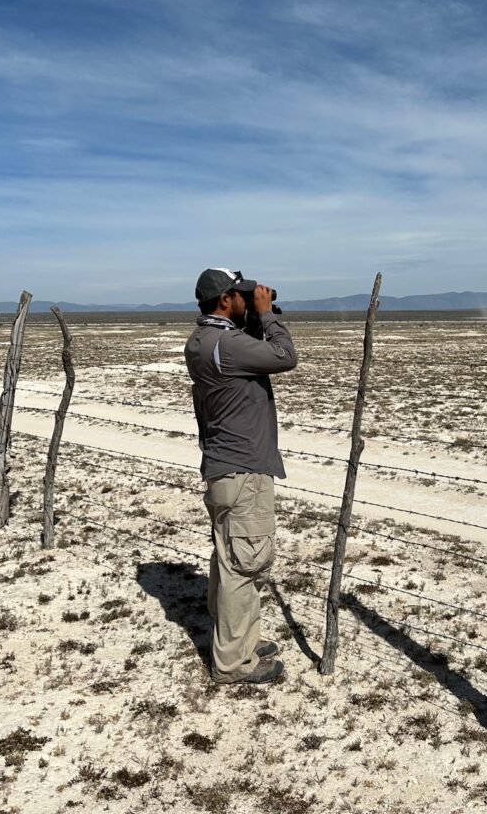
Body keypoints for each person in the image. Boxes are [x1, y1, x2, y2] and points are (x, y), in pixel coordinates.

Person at [184, 268, 297, 684]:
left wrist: (251, 317)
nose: (248, 300)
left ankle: (241, 642)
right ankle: (233, 662)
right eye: (241, 295)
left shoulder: (201, 341)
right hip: (244, 469)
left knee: (229, 559)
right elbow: (285, 356)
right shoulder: (228, 343)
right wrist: (267, 316)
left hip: (222, 467)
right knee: (244, 565)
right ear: (225, 300)